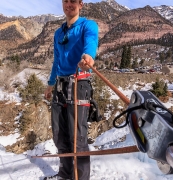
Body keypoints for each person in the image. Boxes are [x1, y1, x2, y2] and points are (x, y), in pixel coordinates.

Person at [44, 0, 98, 179]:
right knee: (59, 135)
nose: (69, 4)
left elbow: (90, 43)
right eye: (65, 1)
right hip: (60, 85)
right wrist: (51, 84)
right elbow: (57, 61)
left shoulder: (88, 25)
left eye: (73, 1)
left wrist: (88, 57)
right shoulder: (58, 33)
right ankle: (65, 174)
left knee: (78, 138)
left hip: (79, 83)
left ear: (81, 4)